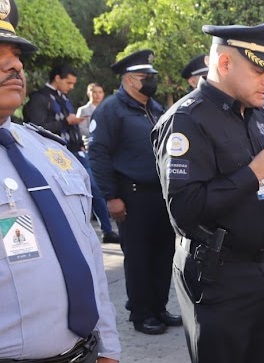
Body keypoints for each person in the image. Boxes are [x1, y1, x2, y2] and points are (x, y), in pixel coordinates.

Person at [154, 21, 264, 363]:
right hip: (219, 276)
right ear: (224, 64)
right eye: (259, 71)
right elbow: (184, 210)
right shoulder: (187, 120)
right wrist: (254, 171)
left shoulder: (256, 116)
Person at [0, 1, 120, 361]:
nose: (15, 64)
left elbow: (87, 255)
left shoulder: (51, 154)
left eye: (16, 54)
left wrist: (109, 346)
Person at [88, 50, 180, 335]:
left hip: (161, 195)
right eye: (146, 77)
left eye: (152, 76)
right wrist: (111, 196)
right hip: (132, 195)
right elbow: (98, 155)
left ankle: (159, 307)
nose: (151, 81)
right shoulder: (112, 109)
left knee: (164, 253)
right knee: (140, 257)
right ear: (129, 80)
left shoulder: (153, 107)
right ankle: (141, 313)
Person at [74, 82, 121, 245]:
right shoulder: (83, 111)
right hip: (91, 151)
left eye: (100, 91)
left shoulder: (110, 108)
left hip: (113, 151)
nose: (98, 95)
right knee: (96, 189)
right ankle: (106, 229)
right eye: (94, 92)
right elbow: (83, 131)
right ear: (89, 94)